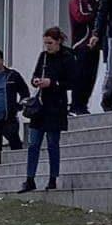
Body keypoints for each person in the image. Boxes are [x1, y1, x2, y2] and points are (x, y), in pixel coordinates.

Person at [19, 27, 72, 194]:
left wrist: (53, 83)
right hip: (40, 107)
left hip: (56, 106)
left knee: (52, 143)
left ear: (58, 42)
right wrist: (36, 81)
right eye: (45, 43)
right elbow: (35, 74)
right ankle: (30, 179)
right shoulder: (43, 57)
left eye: (50, 43)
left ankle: (53, 178)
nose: (47, 47)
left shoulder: (67, 57)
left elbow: (72, 81)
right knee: (33, 143)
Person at [67, 0, 101, 115]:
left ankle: (84, 105)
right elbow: (80, 16)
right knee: (80, 76)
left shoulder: (93, 1)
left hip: (94, 45)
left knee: (90, 77)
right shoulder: (77, 0)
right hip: (80, 45)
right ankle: (75, 105)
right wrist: (96, 11)